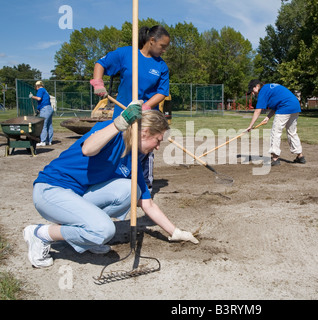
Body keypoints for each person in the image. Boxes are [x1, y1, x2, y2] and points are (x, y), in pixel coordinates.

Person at [23, 104, 198, 268]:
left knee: (131, 189)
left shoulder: (133, 159)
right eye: (158, 140)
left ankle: (87, 237)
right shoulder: (112, 133)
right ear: (144, 133)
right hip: (51, 190)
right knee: (104, 230)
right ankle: (40, 234)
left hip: (78, 195)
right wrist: (118, 123)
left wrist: (175, 232)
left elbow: (147, 203)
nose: (158, 147)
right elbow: (88, 149)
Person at [90, 25, 170, 193]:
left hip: (147, 117)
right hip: (123, 114)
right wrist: (98, 83)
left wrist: (145, 108)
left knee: (144, 150)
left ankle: (143, 187)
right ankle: (116, 184)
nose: (164, 50)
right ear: (152, 40)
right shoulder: (127, 54)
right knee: (120, 148)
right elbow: (101, 63)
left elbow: (162, 92)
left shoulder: (161, 66)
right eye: (162, 46)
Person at [246, 79, 306, 166]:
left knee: (276, 132)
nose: (252, 93)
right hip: (295, 106)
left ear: (257, 86)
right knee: (292, 132)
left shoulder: (262, 91)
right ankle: (300, 156)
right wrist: (268, 117)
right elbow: (276, 104)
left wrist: (250, 126)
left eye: (252, 90)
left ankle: (275, 158)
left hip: (285, 107)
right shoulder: (269, 88)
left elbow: (257, 111)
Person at [29, 81, 53, 146]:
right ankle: (49, 141)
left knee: (43, 125)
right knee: (49, 125)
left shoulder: (40, 90)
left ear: (37, 86)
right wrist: (38, 110)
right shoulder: (45, 90)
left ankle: (43, 141)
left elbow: (39, 98)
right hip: (49, 108)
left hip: (45, 109)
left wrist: (32, 97)